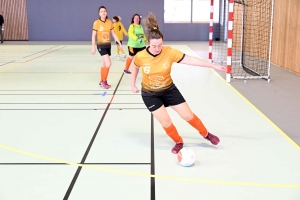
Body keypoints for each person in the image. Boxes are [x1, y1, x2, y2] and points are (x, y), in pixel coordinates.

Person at [131, 12, 227, 154]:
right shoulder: (141, 56)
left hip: (169, 90)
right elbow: (135, 66)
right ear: (148, 43)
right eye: (154, 46)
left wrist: (212, 66)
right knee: (166, 122)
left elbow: (191, 60)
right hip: (150, 94)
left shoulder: (169, 52)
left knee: (187, 115)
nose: (157, 49)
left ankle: (206, 134)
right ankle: (178, 141)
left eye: (160, 45)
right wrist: (132, 84)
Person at [91, 6, 123, 89]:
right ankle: (104, 81)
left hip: (108, 45)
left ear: (106, 12)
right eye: (101, 11)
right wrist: (93, 47)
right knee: (109, 63)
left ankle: (101, 80)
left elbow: (113, 34)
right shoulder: (96, 23)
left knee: (104, 64)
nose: (103, 12)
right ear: (99, 13)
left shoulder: (109, 22)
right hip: (101, 45)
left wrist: (119, 43)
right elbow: (93, 35)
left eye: (104, 11)